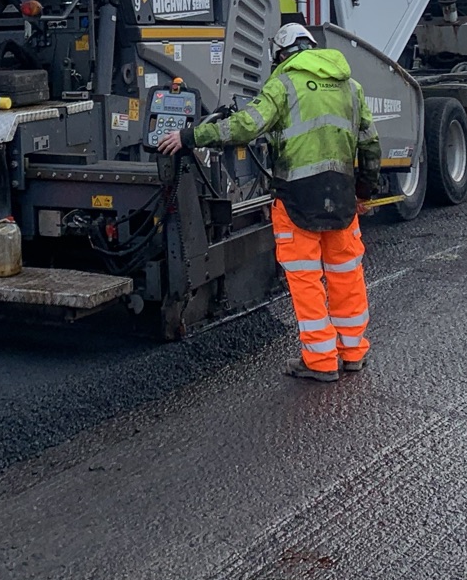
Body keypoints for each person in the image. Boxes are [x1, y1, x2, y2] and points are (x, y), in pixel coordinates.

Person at [158, 23, 380, 382]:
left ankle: (321, 361)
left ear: (281, 54)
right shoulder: (350, 87)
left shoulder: (284, 83)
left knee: (306, 280)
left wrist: (190, 136)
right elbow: (370, 145)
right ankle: (352, 352)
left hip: (296, 198)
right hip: (341, 197)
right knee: (346, 275)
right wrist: (364, 192)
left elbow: (245, 126)